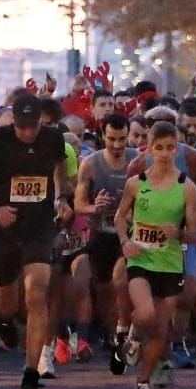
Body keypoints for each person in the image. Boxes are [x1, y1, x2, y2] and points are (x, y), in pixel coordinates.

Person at [0, 92, 71, 389]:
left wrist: (61, 197)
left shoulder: (52, 139)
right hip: (4, 231)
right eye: (21, 127)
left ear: (40, 122)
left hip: (38, 227)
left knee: (37, 294)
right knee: (6, 302)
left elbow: (59, 168)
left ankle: (30, 374)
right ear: (13, 122)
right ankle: (6, 322)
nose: (26, 133)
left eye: (32, 126)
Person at [115, 121, 196, 389]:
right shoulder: (135, 183)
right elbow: (119, 218)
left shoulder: (186, 187)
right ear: (149, 150)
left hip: (170, 263)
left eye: (170, 148)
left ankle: (143, 382)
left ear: (177, 150)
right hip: (141, 259)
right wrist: (124, 241)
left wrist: (179, 233)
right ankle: (133, 335)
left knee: (162, 331)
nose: (164, 154)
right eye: (159, 148)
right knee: (145, 312)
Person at [75, 113, 135, 366]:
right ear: (102, 136)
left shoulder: (138, 161)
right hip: (100, 236)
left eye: (122, 139)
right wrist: (94, 207)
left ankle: (126, 335)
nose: (118, 145)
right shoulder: (90, 164)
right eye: (112, 139)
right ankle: (113, 338)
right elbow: (79, 204)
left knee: (122, 281)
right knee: (104, 291)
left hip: (129, 236)